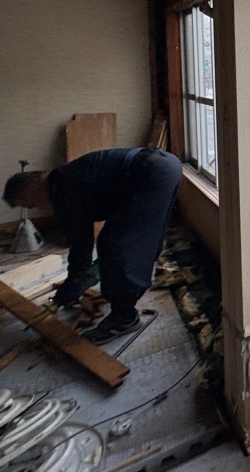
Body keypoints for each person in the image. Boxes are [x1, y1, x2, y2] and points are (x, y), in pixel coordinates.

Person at [2, 147, 182, 343]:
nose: (38, 209)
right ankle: (122, 295)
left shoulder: (64, 190)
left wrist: (73, 282)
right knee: (130, 240)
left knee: (118, 246)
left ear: (32, 190)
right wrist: (78, 281)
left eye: (31, 205)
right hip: (163, 166)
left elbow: (81, 243)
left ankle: (124, 318)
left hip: (152, 173)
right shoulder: (63, 179)